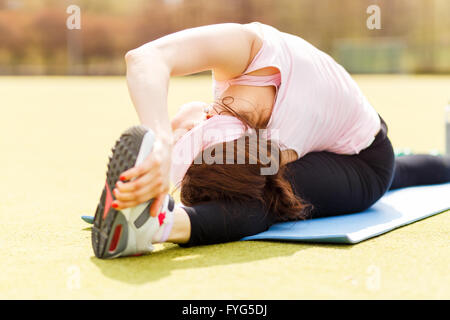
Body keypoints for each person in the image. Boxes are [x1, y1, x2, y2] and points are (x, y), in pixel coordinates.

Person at [91, 23, 450, 259]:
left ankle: (158, 225)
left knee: (269, 199)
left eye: (238, 121)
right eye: (219, 111)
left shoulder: (284, 121)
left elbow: (249, 198)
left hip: (363, 161)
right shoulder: (241, 56)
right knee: (187, 120)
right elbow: (145, 58)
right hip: (332, 129)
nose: (216, 114)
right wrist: (161, 142)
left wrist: (169, 213)